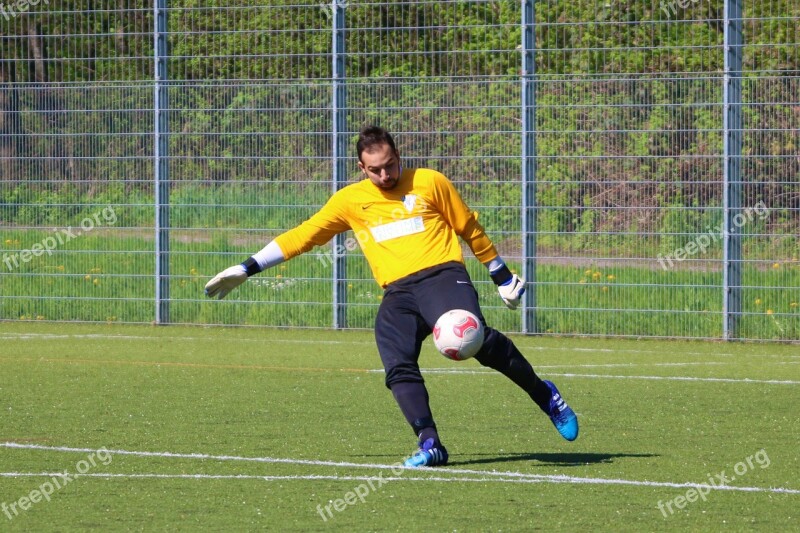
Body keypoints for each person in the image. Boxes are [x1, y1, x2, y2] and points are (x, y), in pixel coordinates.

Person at [204, 125, 578, 467]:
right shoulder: (350, 201)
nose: (385, 175)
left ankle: (545, 395)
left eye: (390, 165)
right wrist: (247, 267)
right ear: (361, 168)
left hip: (442, 275)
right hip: (398, 292)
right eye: (375, 170)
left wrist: (500, 274)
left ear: (399, 157)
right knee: (396, 361)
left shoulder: (430, 182)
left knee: (472, 341)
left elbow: (468, 226)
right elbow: (305, 235)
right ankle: (430, 443)